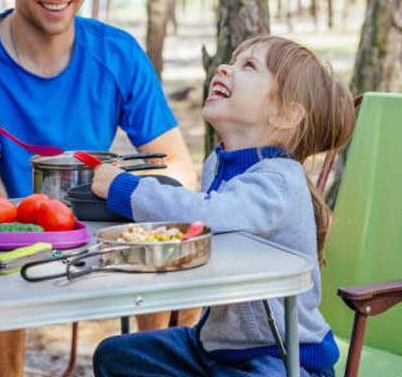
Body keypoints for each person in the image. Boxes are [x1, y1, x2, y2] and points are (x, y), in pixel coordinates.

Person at [0, 0, 197, 375]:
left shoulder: (117, 52)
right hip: (3, 243)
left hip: (102, 235)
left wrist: (128, 196)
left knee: (179, 251)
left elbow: (178, 167)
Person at [90, 35, 357, 377]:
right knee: (115, 356)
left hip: (282, 356)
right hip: (215, 348)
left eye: (248, 66)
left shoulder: (277, 181)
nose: (225, 68)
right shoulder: (220, 162)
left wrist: (127, 190)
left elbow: (206, 214)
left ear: (286, 115)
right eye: (233, 59)